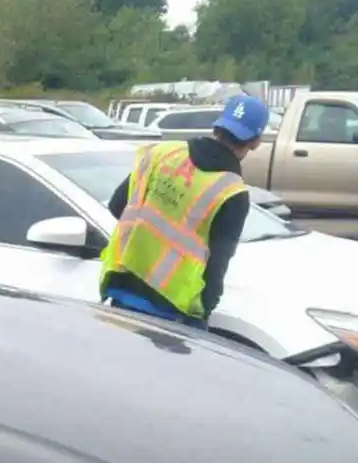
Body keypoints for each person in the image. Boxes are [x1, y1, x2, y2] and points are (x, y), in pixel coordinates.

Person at [99, 93, 271, 328]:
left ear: (216, 127)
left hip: (123, 285)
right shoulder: (231, 192)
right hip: (174, 311)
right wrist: (204, 311)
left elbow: (118, 205)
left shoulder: (163, 153)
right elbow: (217, 265)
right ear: (256, 141)